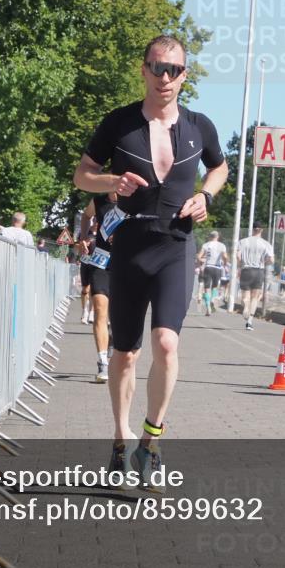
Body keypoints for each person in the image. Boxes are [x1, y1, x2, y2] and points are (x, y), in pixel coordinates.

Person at [73, 34, 228, 489]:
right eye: (157, 68)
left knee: (166, 344)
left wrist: (206, 195)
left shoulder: (200, 126)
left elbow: (220, 167)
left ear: (184, 76)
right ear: (142, 70)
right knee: (125, 352)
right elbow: (82, 175)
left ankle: (151, 441)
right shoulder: (118, 123)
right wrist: (110, 182)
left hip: (175, 246)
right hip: (129, 247)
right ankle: (120, 440)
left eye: (174, 70)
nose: (165, 78)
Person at [79, 193, 119, 383]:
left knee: (118, 315)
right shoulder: (99, 200)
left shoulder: (138, 199)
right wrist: (84, 238)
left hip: (127, 262)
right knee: (100, 309)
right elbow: (86, 216)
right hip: (101, 260)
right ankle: (103, 362)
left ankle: (112, 334)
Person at [236, 222, 274, 330]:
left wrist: (240, 267)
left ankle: (245, 308)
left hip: (246, 270)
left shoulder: (242, 242)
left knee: (245, 296)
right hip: (259, 271)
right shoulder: (266, 244)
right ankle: (249, 322)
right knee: (255, 297)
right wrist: (264, 261)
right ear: (261, 230)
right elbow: (271, 260)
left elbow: (238, 257)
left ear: (252, 229)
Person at [197, 230, 228, 315]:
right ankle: (212, 299)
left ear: (210, 237)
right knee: (214, 287)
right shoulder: (222, 245)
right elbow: (225, 256)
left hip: (208, 267)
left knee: (206, 288)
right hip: (217, 268)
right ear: (217, 237)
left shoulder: (206, 245)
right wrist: (225, 264)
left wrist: (201, 261)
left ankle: (208, 308)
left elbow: (199, 256)